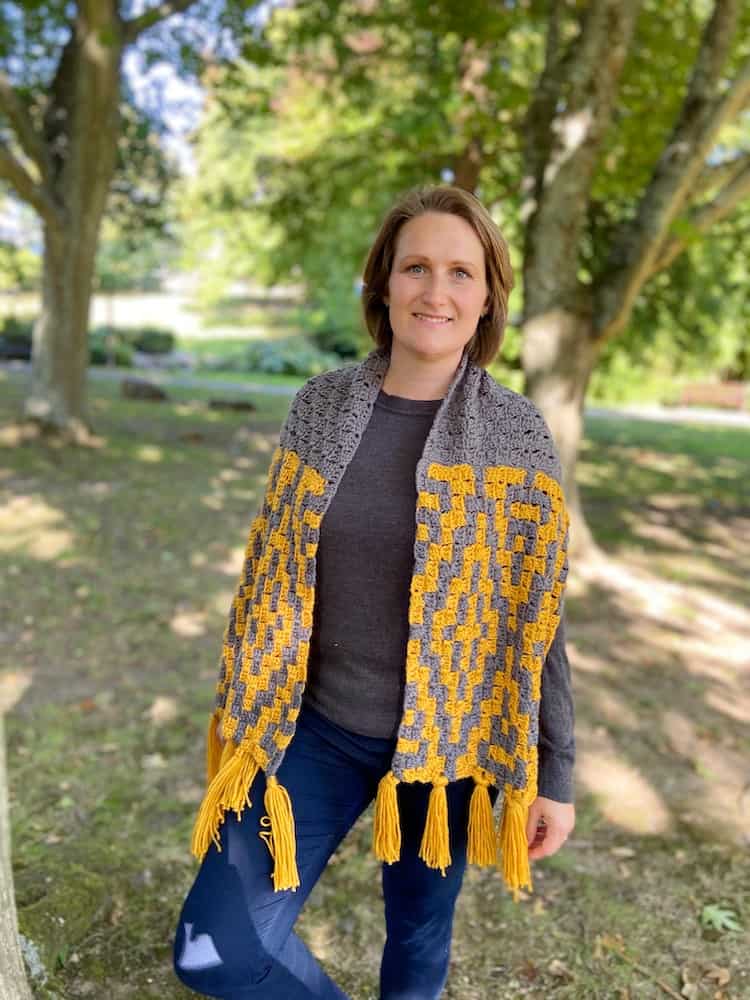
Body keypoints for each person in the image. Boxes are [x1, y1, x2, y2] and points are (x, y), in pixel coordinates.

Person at [172, 184, 576, 1000]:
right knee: (211, 952)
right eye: (416, 267)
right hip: (312, 730)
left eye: (462, 272)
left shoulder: (518, 435)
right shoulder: (318, 408)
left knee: (419, 939)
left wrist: (555, 772)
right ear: (383, 284)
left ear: (488, 296)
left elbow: (539, 618)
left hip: (447, 747)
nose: (437, 291)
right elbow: (272, 574)